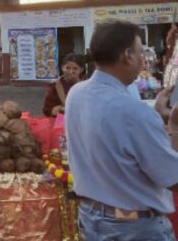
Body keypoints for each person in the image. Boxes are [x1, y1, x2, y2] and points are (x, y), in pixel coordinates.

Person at [66, 20, 178, 241]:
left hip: (92, 218)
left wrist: (156, 115)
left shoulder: (76, 94)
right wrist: (174, 128)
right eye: (140, 52)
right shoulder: (133, 111)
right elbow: (172, 177)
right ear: (127, 55)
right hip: (134, 229)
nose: (142, 60)